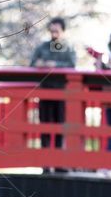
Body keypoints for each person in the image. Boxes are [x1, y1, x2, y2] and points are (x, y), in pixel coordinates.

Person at [30, 17, 77, 149]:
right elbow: (32, 63)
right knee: (44, 124)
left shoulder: (68, 48)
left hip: (61, 91)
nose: (54, 33)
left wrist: (55, 65)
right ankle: (45, 162)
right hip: (45, 89)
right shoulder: (42, 47)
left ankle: (58, 162)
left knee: (60, 124)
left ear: (62, 31)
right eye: (52, 31)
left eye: (57, 31)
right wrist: (38, 65)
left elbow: (72, 64)